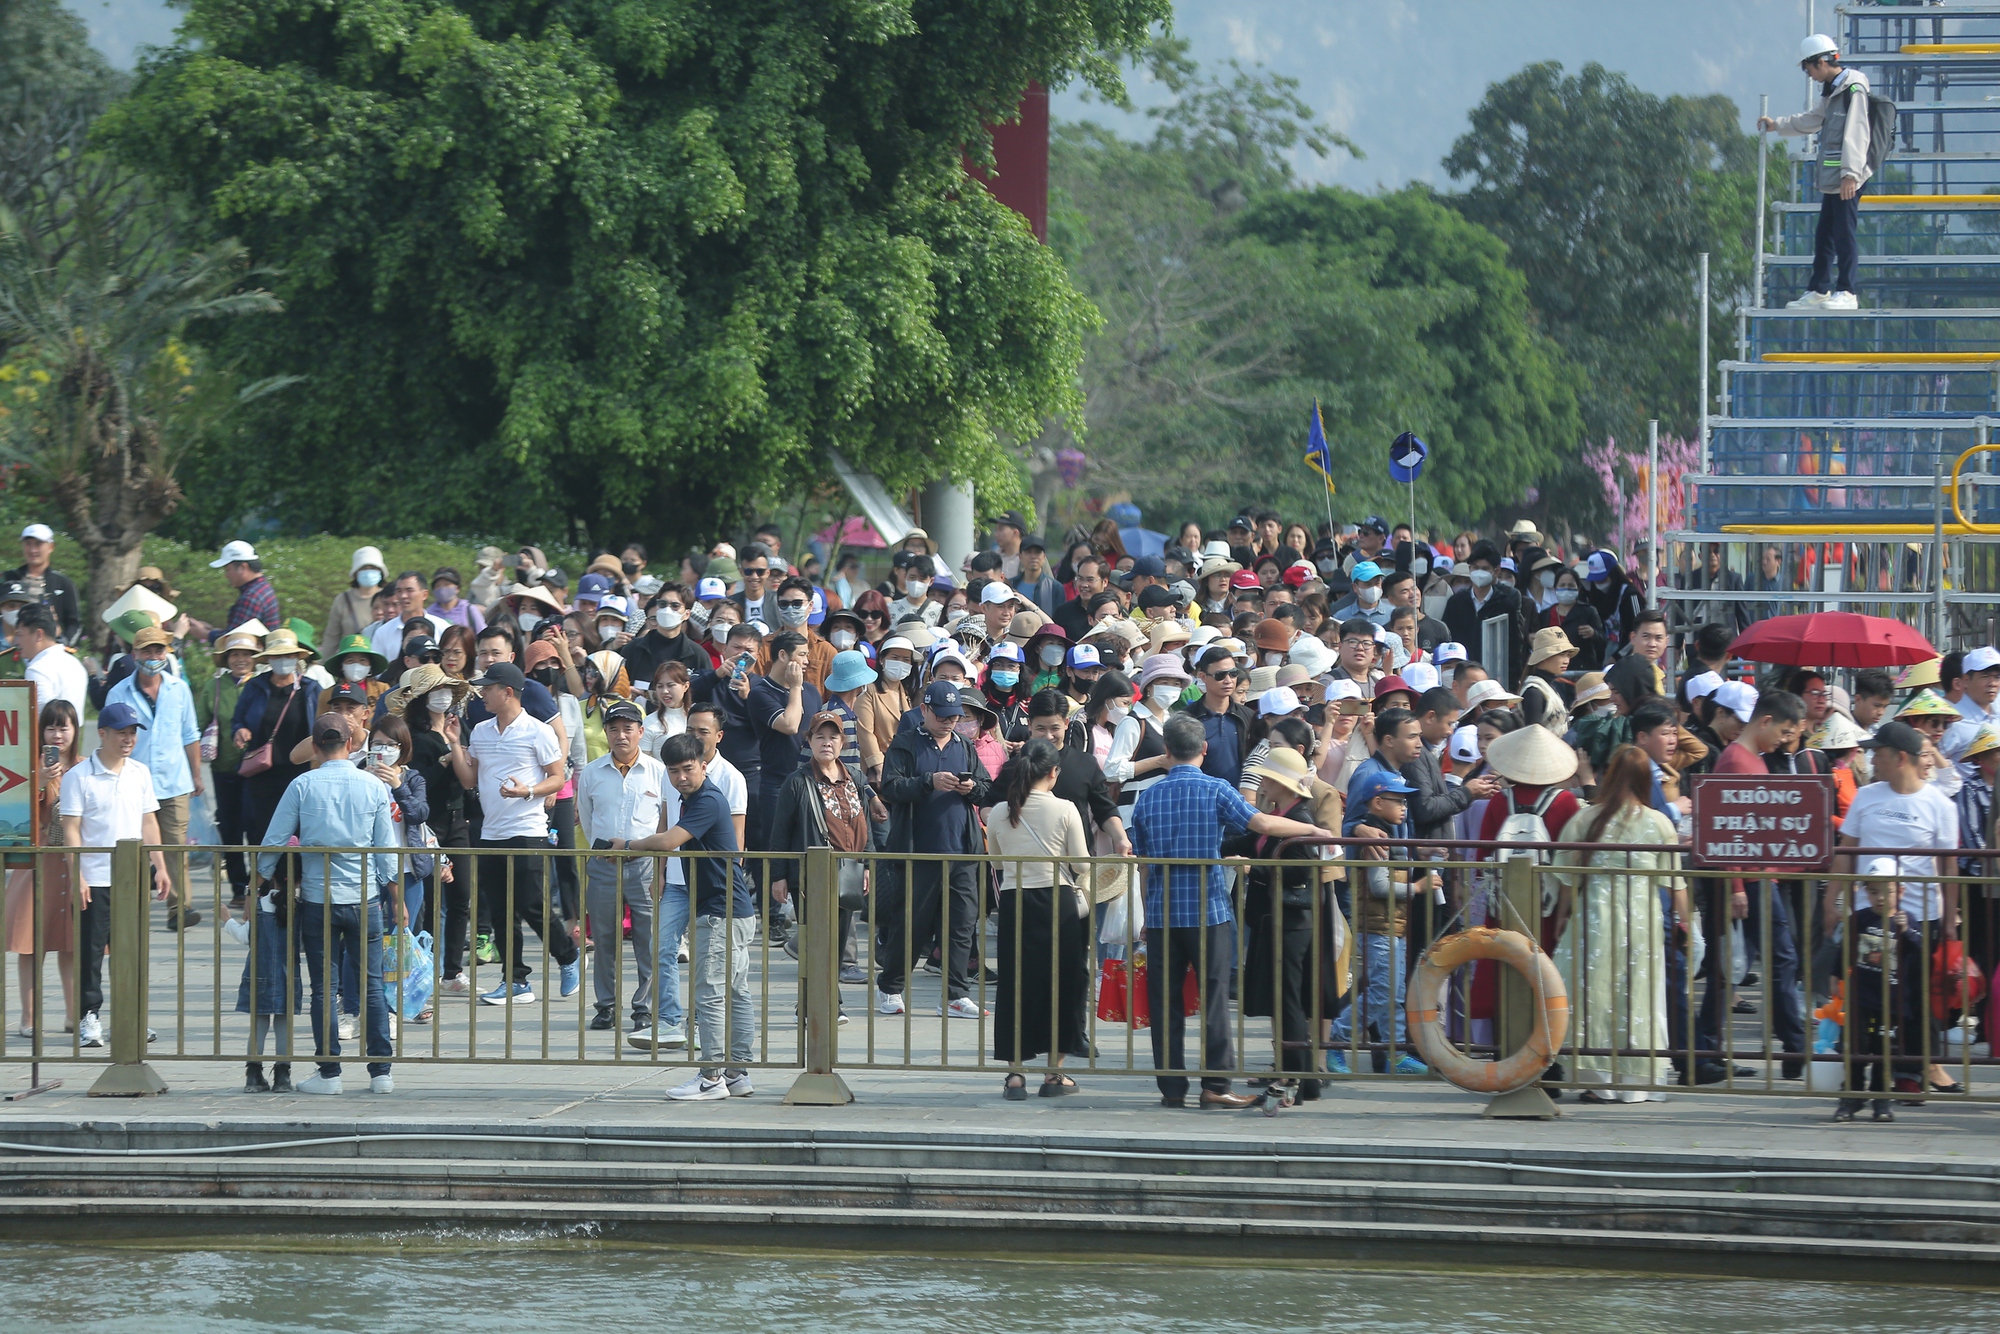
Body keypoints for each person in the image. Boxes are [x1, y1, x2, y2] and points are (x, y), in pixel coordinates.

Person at [1129, 713, 1328, 1109]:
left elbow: (1145, 863)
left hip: (1164, 912)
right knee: (1215, 1000)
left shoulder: (1148, 796)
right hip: (1209, 910)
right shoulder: (1216, 789)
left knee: (1165, 1003)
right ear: (1204, 750)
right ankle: (1215, 1085)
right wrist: (1314, 830)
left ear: (1166, 752)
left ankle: (1171, 1088)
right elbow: (1260, 823)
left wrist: (1147, 915)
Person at [254, 713, 397, 1095]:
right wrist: (392, 891)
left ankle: (329, 1072)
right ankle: (381, 1071)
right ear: (350, 744)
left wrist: (260, 878)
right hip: (365, 897)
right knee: (373, 987)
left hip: (319, 898)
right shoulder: (371, 785)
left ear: (315, 747)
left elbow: (275, 839)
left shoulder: (302, 785)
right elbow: (386, 847)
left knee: (323, 988)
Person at [1831, 720, 1961, 1101]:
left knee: (1914, 999)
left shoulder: (1938, 804)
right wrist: (1831, 900)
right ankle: (1859, 1074)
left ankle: (1909, 1072)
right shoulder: (1867, 797)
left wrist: (1951, 917)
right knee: (1864, 996)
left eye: (1878, 752)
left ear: (1899, 757)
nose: (1871, 758)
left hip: (1918, 919)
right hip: (1867, 917)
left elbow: (1949, 867)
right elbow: (1847, 849)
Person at [627, 732, 760, 1100]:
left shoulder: (708, 799)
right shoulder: (692, 799)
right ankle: (736, 1074)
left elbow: (669, 841)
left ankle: (712, 1078)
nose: (681, 777)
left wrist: (628, 846)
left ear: (704, 765)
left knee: (711, 994)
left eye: (688, 769)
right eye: (673, 771)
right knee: (734, 991)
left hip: (720, 911)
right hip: (728, 909)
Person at [1551, 745, 1687, 1103]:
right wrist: (1686, 923)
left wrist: (1563, 914)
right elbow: (1676, 883)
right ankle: (1637, 1080)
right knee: (1638, 994)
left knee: (1594, 993)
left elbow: (1566, 876)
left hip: (1595, 917)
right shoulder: (1658, 823)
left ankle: (1599, 1081)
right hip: (1641, 920)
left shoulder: (1586, 819)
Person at [444, 661, 581, 1007]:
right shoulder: (482, 730)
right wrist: (455, 744)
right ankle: (515, 980)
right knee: (502, 910)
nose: (482, 694)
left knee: (532, 904)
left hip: (527, 831)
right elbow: (469, 779)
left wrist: (528, 791)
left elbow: (557, 777)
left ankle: (567, 955)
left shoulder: (538, 731)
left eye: (488, 688)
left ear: (508, 692)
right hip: (490, 833)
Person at [59, 701, 176, 1050]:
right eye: (121, 733)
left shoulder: (140, 772)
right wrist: (76, 874)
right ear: (103, 733)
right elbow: (71, 829)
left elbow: (148, 822)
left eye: (132, 733)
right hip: (94, 878)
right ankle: (88, 1017)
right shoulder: (78, 777)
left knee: (132, 950)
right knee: (91, 952)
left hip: (132, 878)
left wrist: (160, 866)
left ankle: (132, 1018)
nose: (127, 740)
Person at [875, 680, 994, 1017]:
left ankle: (956, 993)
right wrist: (928, 782)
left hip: (961, 852)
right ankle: (891, 987)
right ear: (924, 710)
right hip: (918, 852)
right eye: (942, 715)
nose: (949, 722)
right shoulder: (906, 743)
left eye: (955, 716)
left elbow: (985, 787)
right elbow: (891, 787)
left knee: (961, 925)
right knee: (911, 923)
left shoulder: (964, 745)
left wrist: (971, 787)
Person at [982, 737, 1090, 1098]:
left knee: (1015, 985)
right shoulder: (1065, 809)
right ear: (1054, 772)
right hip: (1057, 901)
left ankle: (1014, 1075)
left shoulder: (999, 811)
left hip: (1015, 902)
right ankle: (1054, 1075)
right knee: (1063, 983)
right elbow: (1079, 863)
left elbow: (996, 863)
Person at [1234, 746, 1340, 1102]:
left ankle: (1299, 1076)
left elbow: (1299, 868)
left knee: (1290, 1000)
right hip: (1278, 917)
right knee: (1287, 999)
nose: (1262, 782)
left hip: (1293, 919)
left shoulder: (1300, 815)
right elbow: (1245, 840)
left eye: (1268, 777)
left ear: (1281, 784)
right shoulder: (1280, 813)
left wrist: (1256, 868)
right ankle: (1304, 1077)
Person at [1329, 767, 1433, 1076]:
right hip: (1377, 928)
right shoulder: (1376, 836)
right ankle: (1336, 1038)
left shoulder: (1386, 833)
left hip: (1391, 926)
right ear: (1377, 803)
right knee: (1382, 993)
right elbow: (1379, 886)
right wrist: (1417, 888)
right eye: (1397, 800)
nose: (1403, 807)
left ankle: (1395, 1052)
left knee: (1394, 994)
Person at [1759, 35, 1872, 312]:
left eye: (1807, 68)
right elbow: (1812, 119)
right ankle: (1819, 289)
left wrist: (1850, 174)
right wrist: (1778, 125)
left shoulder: (1852, 89)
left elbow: (1858, 132)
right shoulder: (1833, 90)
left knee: (1844, 234)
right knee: (1825, 234)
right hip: (1835, 179)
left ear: (1821, 62)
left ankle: (1847, 291)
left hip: (1847, 178)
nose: (1807, 74)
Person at [106, 625, 205, 931]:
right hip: (132, 781)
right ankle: (130, 907)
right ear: (134, 654)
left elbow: (190, 734)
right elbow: (109, 738)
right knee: (132, 846)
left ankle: (180, 908)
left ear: (166, 653)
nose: (153, 656)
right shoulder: (119, 692)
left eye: (158, 650)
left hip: (174, 780)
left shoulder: (179, 688)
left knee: (175, 846)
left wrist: (197, 774)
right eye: (146, 651)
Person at [576, 699, 665, 1035]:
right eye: (614, 729)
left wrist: (659, 866)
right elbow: (586, 817)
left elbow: (664, 822)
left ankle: (645, 1007)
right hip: (602, 863)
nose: (621, 736)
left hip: (645, 863)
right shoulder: (592, 772)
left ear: (641, 732)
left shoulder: (657, 772)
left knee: (649, 938)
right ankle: (606, 1006)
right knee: (603, 937)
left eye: (628, 728)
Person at [6, 699, 81, 1037]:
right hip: (38, 862)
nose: (57, 734)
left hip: (72, 862)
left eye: (63, 726)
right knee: (30, 943)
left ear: (75, 730)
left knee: (71, 943)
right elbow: (19, 814)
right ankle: (29, 1017)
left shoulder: (83, 767)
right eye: (50, 727)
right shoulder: (27, 767)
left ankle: (73, 1014)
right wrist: (38, 779)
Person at [197, 627, 262, 913]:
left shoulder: (262, 683)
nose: (241, 659)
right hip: (224, 768)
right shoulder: (215, 686)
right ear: (226, 658)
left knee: (257, 826)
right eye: (235, 654)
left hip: (259, 768)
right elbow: (199, 722)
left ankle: (258, 885)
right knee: (230, 827)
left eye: (246, 654)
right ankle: (238, 886)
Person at [6, 523, 80, 643]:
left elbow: (73, 622)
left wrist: (64, 644)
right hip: (11, 649)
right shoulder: (8, 578)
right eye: (28, 544)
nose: (32, 550)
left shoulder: (62, 583)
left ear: (51, 547)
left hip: (49, 649)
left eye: (38, 544)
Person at [205, 540, 282, 640]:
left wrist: (205, 634)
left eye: (228, 569)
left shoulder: (251, 597)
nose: (226, 575)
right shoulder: (263, 588)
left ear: (242, 568)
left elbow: (235, 639)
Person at [369, 570, 452, 662]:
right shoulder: (383, 632)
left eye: (409, 590)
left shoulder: (442, 628)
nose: (403, 596)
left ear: (424, 594)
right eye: (399, 591)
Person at [17, 604, 85, 714]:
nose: (17, 642)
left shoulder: (37, 670)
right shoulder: (75, 663)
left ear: (39, 634)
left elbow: (40, 719)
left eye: (20, 635)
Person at [324, 546, 387, 648]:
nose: (368, 572)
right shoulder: (343, 600)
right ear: (356, 572)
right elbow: (332, 636)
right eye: (364, 568)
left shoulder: (390, 597)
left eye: (373, 568)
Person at [426, 566, 485, 633]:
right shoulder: (429, 613)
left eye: (446, 585)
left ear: (457, 588)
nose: (442, 589)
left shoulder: (469, 610)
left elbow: (482, 633)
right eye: (438, 586)